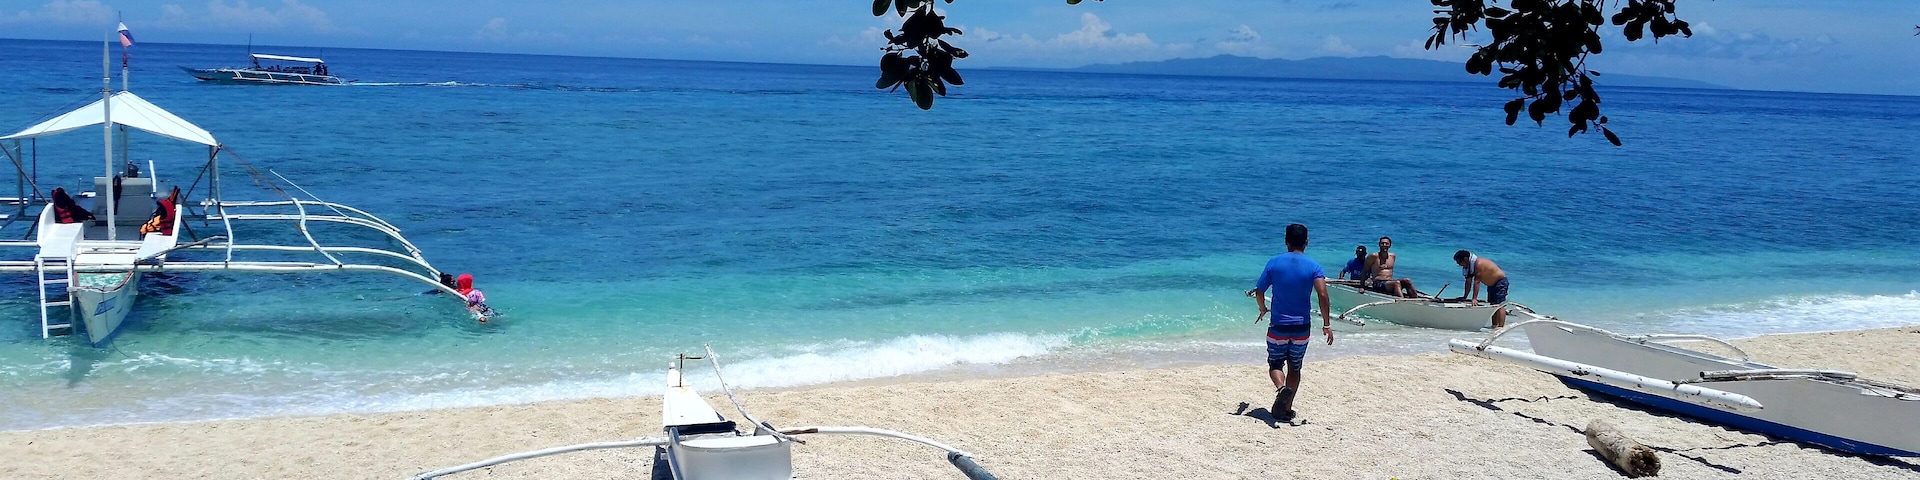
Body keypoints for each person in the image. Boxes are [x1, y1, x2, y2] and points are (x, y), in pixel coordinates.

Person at [1244, 223, 1333, 423]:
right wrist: (1326, 324)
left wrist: (1262, 309)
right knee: (1295, 368)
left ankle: (1280, 388)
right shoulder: (1314, 266)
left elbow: (1259, 291)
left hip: (1278, 326)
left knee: (1275, 364)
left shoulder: (1274, 263)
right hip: (1302, 328)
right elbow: (1323, 294)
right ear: (1306, 242)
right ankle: (1286, 408)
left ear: (1286, 242)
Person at [1454, 250, 1511, 328]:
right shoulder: (1468, 267)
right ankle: (1494, 326)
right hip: (1491, 285)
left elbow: (1477, 281)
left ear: (1466, 259)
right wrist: (1465, 296)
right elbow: (1468, 282)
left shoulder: (1478, 264)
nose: (1459, 265)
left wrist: (1474, 298)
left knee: (1499, 305)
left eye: (1459, 262)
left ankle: (1501, 328)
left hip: (1500, 282)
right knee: (1493, 305)